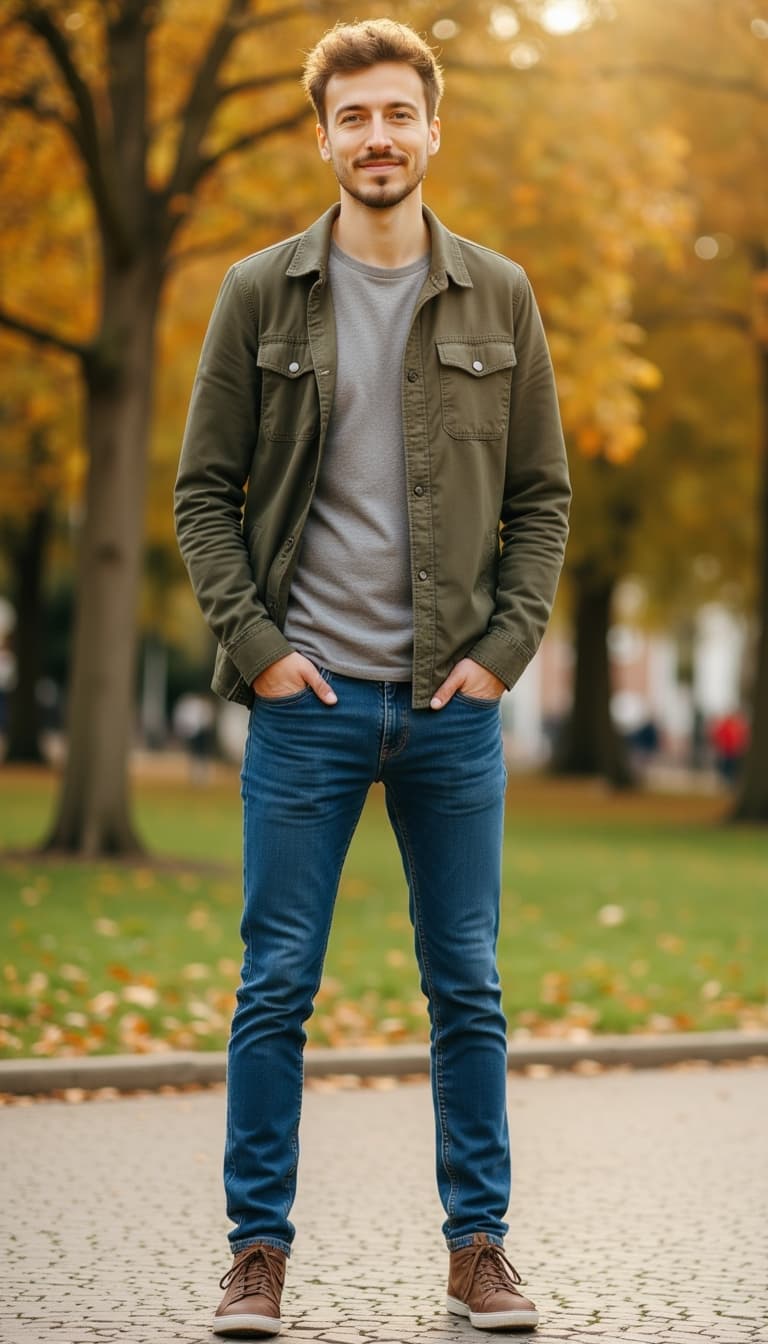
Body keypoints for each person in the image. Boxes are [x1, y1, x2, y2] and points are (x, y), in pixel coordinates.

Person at [174, 18, 570, 1336]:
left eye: (399, 114)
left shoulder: (499, 295)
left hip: (452, 710)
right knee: (275, 982)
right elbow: (202, 495)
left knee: (467, 985)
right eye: (355, 118)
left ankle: (479, 1250)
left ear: (433, 128)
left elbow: (541, 498)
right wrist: (258, 650)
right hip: (313, 705)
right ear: (327, 134)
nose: (379, 138)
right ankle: (256, 1256)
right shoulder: (257, 294)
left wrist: (504, 651)